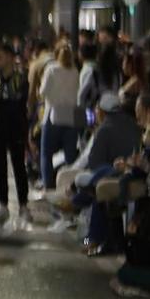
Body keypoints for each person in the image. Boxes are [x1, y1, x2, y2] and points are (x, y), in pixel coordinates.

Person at [0, 42, 31, 223]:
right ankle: (2, 204)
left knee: (19, 167)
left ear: (11, 57)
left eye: (0, 56)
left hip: (16, 128)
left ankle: (23, 205)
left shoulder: (20, 78)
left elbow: (23, 102)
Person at [38, 41, 84, 191]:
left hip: (52, 116)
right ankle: (70, 187)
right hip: (70, 117)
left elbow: (42, 92)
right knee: (70, 155)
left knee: (46, 154)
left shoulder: (51, 69)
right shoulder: (75, 71)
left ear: (56, 54)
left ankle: (48, 186)